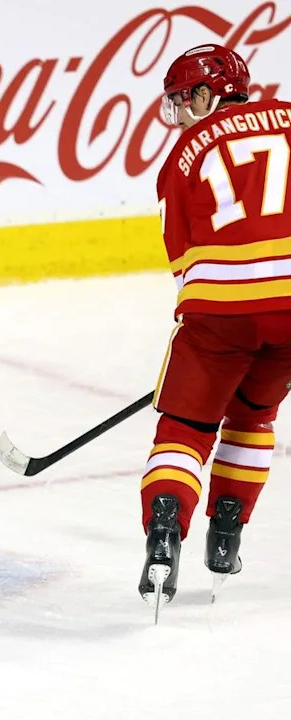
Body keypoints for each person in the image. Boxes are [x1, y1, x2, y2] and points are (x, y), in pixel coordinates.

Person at [139, 44, 291, 612]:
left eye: (182, 101)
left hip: (219, 313)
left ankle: (163, 531)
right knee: (254, 416)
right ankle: (227, 534)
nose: (177, 114)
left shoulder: (183, 154)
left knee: (185, 427)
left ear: (208, 94)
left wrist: (209, 332)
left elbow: (182, 261)